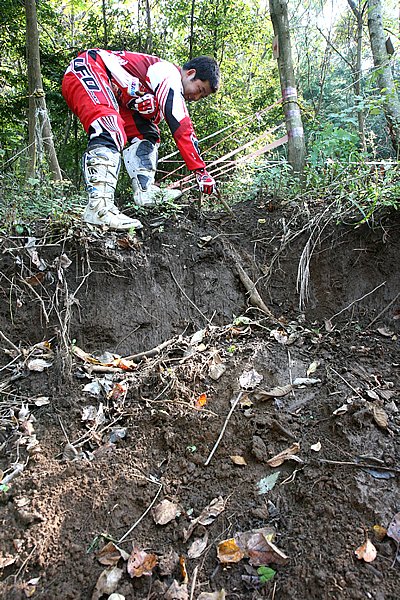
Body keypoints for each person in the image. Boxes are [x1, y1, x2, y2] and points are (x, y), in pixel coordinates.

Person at [62, 49, 220, 230]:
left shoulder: (157, 84)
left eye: (202, 96)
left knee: (147, 133)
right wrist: (201, 172)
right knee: (108, 126)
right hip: (90, 67)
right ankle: (99, 209)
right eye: (200, 89)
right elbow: (180, 122)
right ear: (190, 73)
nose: (196, 97)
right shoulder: (169, 73)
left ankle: (144, 191)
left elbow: (141, 106)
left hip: (110, 87)